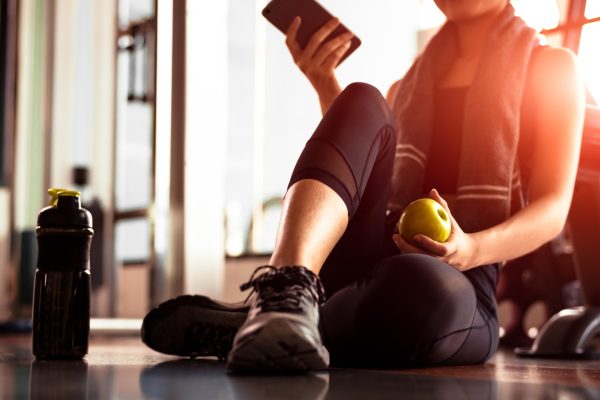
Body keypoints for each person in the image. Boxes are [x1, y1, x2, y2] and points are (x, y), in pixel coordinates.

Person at [141, 0, 584, 372]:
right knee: (362, 97)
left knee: (418, 285)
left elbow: (552, 210)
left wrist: (469, 250)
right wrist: (324, 85)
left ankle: (270, 324)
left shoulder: (551, 68)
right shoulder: (405, 87)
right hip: (361, 263)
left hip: (461, 283)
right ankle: (287, 292)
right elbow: (369, 184)